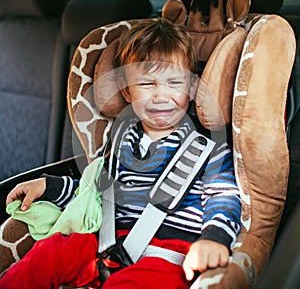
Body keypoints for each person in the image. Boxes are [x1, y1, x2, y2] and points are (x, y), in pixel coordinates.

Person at [0, 18, 241, 289]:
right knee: (50, 252)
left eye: (175, 83)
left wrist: (214, 238)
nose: (162, 96)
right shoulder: (121, 139)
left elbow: (224, 196)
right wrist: (51, 186)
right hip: (108, 245)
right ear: (127, 91)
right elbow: (93, 189)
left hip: (169, 256)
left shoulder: (207, 149)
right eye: (148, 84)